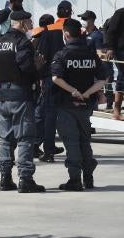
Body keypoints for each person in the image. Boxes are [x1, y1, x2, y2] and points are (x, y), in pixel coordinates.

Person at [0, 10, 45, 193]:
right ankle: (25, 178)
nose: (31, 25)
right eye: (29, 22)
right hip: (20, 94)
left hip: (3, 94)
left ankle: (5, 178)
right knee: (25, 138)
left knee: (6, 138)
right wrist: (38, 67)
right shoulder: (23, 42)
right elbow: (26, 66)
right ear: (21, 23)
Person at [52, 19, 107, 190]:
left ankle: (75, 179)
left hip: (67, 104)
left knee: (71, 142)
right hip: (85, 105)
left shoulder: (62, 55)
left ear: (66, 34)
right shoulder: (91, 55)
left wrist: (73, 91)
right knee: (85, 140)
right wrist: (89, 92)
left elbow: (55, 78)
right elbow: (103, 78)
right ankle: (88, 178)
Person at [35, 0, 72, 162]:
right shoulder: (77, 29)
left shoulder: (48, 31)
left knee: (49, 115)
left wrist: (42, 77)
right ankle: (75, 151)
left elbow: (41, 57)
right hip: (72, 80)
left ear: (57, 13)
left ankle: (48, 150)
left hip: (51, 78)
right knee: (73, 116)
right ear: (70, 12)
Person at [102, 8, 124, 120]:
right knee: (122, 76)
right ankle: (116, 111)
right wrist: (110, 48)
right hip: (120, 50)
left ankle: (117, 111)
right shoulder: (120, 13)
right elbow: (111, 31)